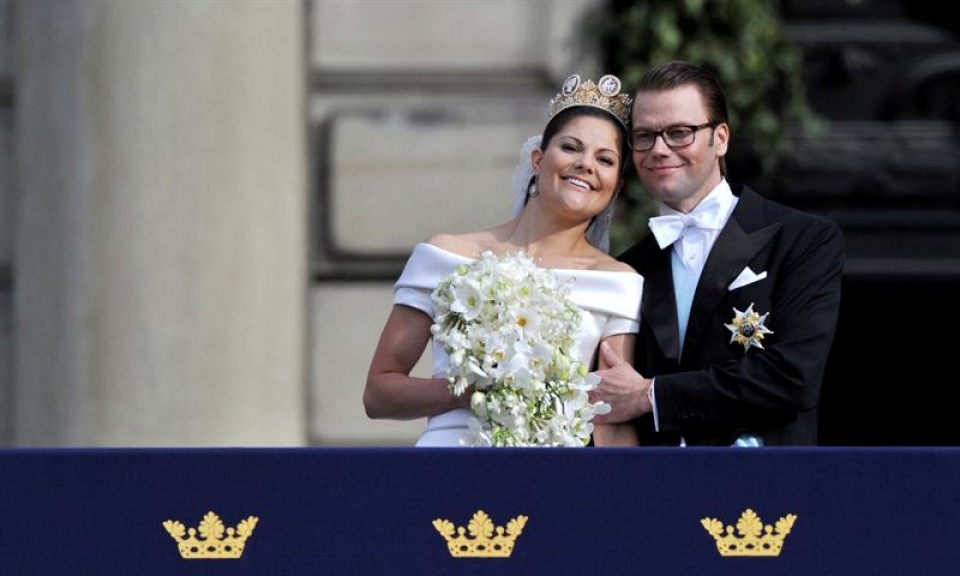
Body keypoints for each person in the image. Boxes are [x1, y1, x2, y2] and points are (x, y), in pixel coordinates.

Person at [364, 73, 644, 447]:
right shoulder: (445, 255)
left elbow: (611, 417)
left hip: (552, 474)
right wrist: (471, 390)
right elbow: (379, 393)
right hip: (448, 463)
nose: (586, 165)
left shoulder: (619, 283)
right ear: (538, 159)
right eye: (571, 148)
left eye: (605, 159)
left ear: (615, 188)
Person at [589, 61, 844, 446]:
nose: (659, 149)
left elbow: (793, 377)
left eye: (679, 133)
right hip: (661, 493)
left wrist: (650, 395)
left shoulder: (803, 239)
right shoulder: (629, 268)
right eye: (644, 136)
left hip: (767, 493)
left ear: (720, 138)